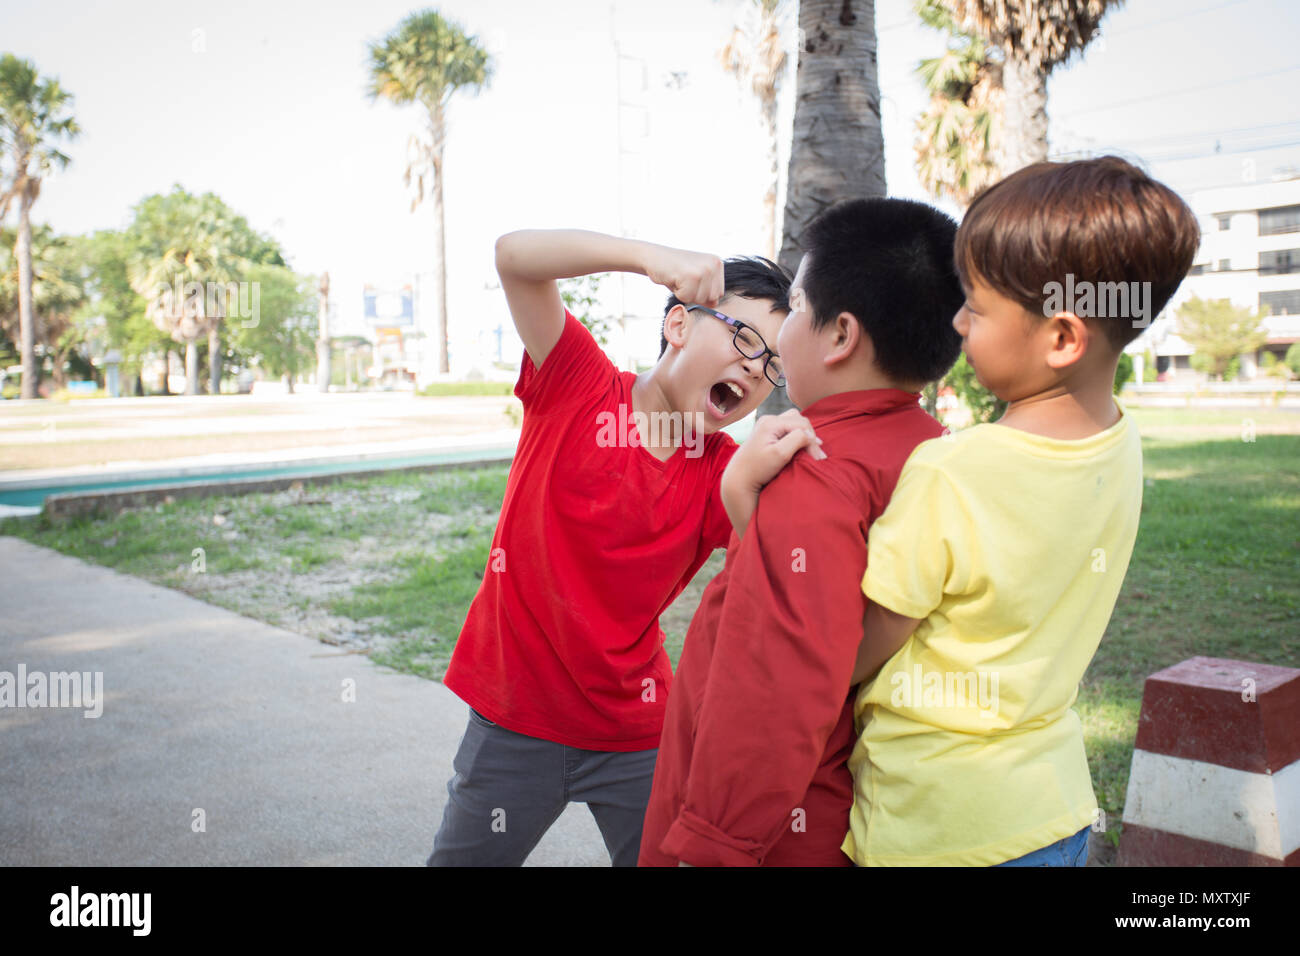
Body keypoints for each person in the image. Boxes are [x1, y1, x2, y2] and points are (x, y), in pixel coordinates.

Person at [840, 156, 1199, 865]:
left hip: (934, 821)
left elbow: (864, 641)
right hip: (1052, 811)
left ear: (1062, 338)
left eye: (975, 305)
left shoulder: (953, 469)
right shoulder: (1121, 442)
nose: (957, 321)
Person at [427, 229, 794, 866]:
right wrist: (650, 258)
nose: (754, 369)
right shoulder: (578, 383)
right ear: (678, 325)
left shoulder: (722, 472)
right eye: (743, 339)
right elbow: (514, 258)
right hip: (516, 719)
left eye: (773, 366)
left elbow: (781, 573)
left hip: (638, 730)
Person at [637, 198, 964, 866]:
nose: (776, 346)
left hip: (772, 829)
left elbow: (773, 692)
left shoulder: (811, 468)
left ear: (840, 337)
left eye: (796, 306)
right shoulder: (939, 451)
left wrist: (712, 846)